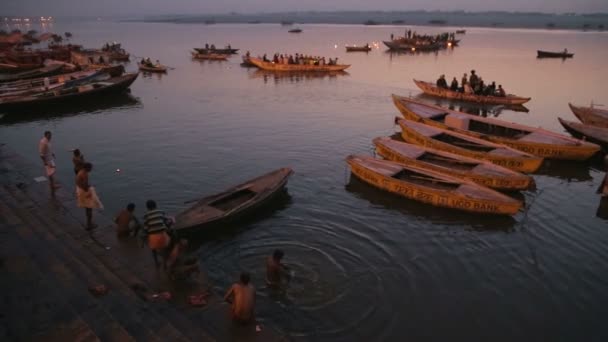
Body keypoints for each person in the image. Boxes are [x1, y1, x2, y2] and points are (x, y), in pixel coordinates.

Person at [143, 200, 173, 268]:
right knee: (164, 249)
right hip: (162, 234)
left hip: (153, 236)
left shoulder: (146, 215)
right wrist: (170, 223)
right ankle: (165, 264)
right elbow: (166, 221)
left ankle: (156, 263)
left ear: (147, 207)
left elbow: (145, 228)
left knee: (153, 250)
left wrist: (146, 235)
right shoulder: (161, 212)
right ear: (156, 206)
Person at [76, 162, 104, 230]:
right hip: (83, 191)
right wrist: (90, 191)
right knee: (90, 208)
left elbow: (81, 183)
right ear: (87, 168)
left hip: (79, 189)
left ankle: (89, 223)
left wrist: (89, 186)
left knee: (87, 207)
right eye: (90, 168)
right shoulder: (85, 174)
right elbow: (85, 186)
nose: (91, 169)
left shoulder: (81, 171)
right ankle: (89, 225)